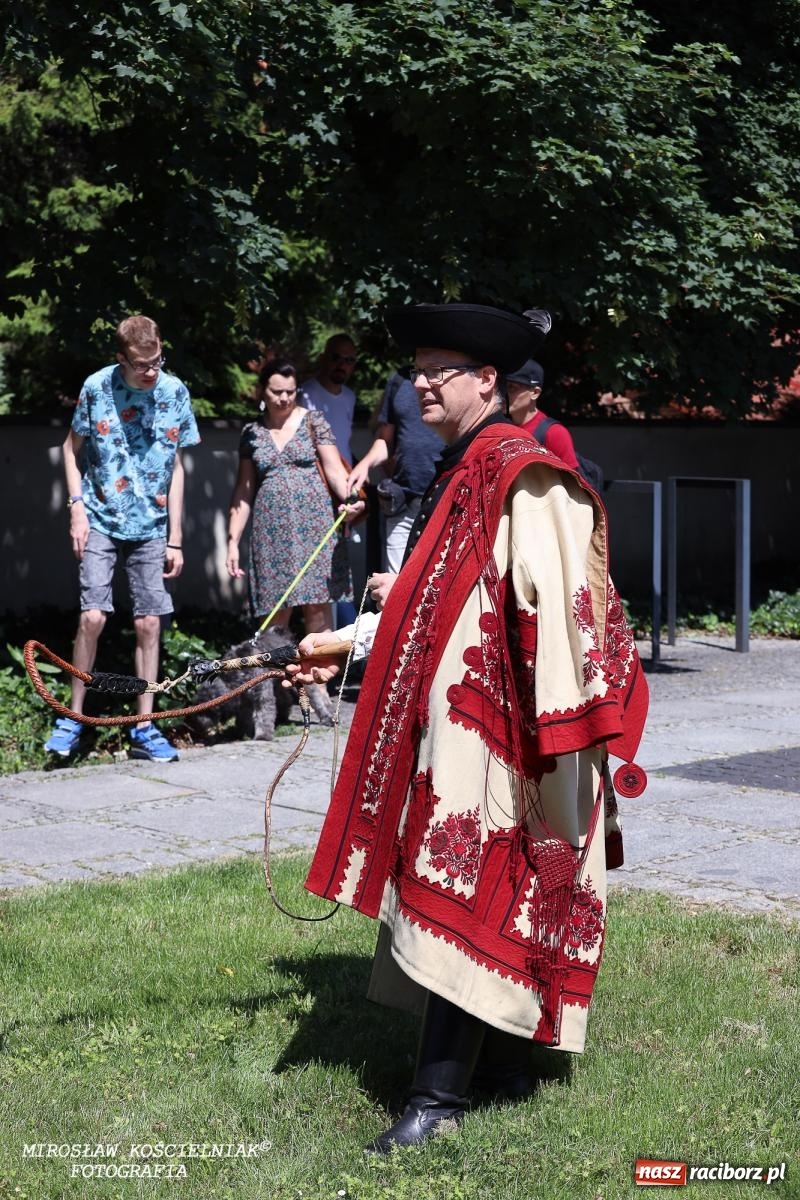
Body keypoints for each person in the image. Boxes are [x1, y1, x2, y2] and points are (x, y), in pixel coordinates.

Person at [286, 303, 649, 1153]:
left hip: (509, 735)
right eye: (417, 368)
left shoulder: (527, 477)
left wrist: (564, 736)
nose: (417, 383)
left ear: (487, 381)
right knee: (473, 890)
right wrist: (340, 640)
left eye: (436, 369)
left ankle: (437, 1102)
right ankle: (500, 1068)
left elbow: (571, 616)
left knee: (471, 892)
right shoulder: (464, 468)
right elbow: (429, 598)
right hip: (454, 727)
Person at [45, 315, 200, 762]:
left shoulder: (174, 392)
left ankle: (144, 726)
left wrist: (177, 538)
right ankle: (73, 719)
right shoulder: (96, 387)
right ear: (120, 358)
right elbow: (68, 449)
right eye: (140, 365)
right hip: (99, 519)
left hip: (152, 526)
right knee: (92, 617)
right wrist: (76, 508)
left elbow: (177, 469)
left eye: (156, 361)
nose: (150, 372)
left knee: (150, 623)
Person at [226, 360, 363, 636]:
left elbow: (335, 470)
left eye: (290, 391)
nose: (285, 398)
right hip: (271, 532)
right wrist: (232, 542)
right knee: (275, 613)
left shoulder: (314, 421)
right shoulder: (251, 434)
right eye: (277, 391)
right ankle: (273, 679)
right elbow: (243, 490)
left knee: (317, 609)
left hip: (315, 525)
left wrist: (351, 497)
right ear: (262, 391)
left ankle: (319, 679)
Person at [347, 369, 442, 573]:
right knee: (394, 590)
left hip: (444, 504)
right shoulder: (398, 380)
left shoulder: (452, 376)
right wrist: (365, 465)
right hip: (402, 504)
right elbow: (386, 440)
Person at [505, 358, 580, 471]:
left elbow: (572, 482)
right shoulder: (501, 427)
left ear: (534, 393)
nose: (504, 393)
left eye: (512, 388)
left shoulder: (554, 433)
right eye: (502, 386)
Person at [298, 333, 358, 459]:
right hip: (315, 476)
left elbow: (343, 442)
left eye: (349, 360)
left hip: (345, 475)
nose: (342, 365)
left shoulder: (349, 397)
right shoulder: (304, 394)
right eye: (336, 358)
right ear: (323, 358)